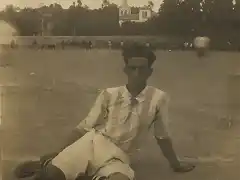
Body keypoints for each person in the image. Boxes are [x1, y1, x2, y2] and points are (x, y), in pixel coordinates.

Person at [14, 44, 195, 180]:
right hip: (92, 144)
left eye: (142, 68)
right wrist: (59, 152)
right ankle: (46, 165)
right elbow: (84, 128)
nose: (137, 73)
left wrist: (176, 164)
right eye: (133, 68)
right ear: (125, 69)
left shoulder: (159, 98)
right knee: (52, 176)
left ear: (150, 71)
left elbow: (162, 136)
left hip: (119, 156)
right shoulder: (109, 94)